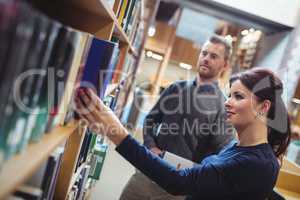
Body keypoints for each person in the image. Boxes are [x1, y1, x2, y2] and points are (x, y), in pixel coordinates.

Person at [75, 68, 291, 200]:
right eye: (229, 95)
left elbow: (178, 182)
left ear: (263, 107)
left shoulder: (258, 163)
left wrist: (119, 135)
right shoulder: (238, 148)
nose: (227, 102)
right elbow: (212, 176)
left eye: (238, 96)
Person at [120, 35, 236, 200]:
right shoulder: (175, 88)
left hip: (176, 187)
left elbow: (222, 151)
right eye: (204, 53)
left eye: (214, 56)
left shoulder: (222, 107)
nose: (206, 59)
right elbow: (150, 121)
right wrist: (151, 147)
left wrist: (196, 173)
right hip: (146, 173)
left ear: (225, 64)